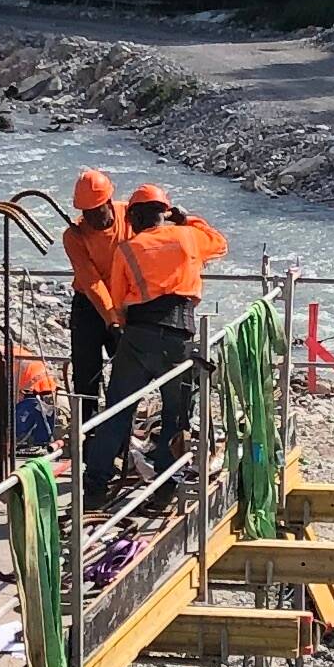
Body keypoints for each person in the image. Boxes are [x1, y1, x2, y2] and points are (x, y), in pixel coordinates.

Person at [101, 183, 230, 496]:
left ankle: (95, 482)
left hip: (138, 334)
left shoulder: (127, 249)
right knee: (176, 411)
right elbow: (219, 243)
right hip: (178, 335)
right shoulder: (188, 236)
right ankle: (165, 482)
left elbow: (117, 300)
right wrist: (186, 220)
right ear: (165, 213)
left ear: (132, 218)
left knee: (118, 407)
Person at [57, 167, 125, 467]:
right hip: (89, 308)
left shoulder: (130, 217)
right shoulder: (74, 236)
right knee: (87, 376)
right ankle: (87, 437)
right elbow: (91, 280)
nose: (93, 218)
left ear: (109, 202)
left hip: (124, 307)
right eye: (86, 212)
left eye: (97, 210)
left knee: (125, 376)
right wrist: (111, 320)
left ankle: (120, 438)